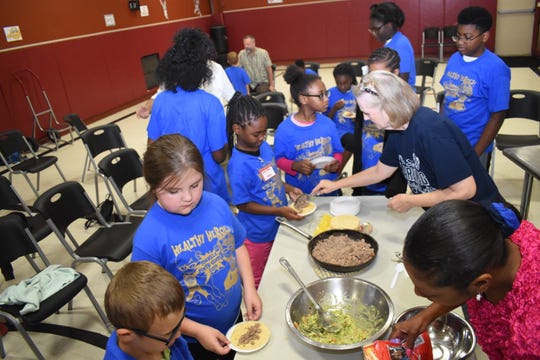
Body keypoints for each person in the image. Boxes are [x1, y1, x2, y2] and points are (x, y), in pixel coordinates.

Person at [131, 134, 262, 360]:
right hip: (190, 339)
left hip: (234, 318)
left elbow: (237, 245)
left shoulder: (217, 205)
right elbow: (151, 308)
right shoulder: (148, 240)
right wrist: (197, 331)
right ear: (153, 188)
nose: (188, 197)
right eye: (174, 191)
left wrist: (249, 288)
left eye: (195, 184)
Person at [312, 71, 504, 212]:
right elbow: (380, 171)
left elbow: (466, 190)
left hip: (478, 214)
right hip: (445, 211)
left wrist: (412, 200)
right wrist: (336, 184)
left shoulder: (431, 132)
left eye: (368, 113)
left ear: (389, 106)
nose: (367, 119)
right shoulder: (396, 127)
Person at [390, 200, 540, 359]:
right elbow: (463, 283)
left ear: (481, 284)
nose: (416, 292)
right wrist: (423, 318)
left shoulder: (532, 336)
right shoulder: (493, 235)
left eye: (431, 294)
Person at [226, 94, 304, 288]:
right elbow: (242, 203)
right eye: (256, 134)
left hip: (277, 225)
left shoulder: (264, 149)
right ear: (237, 129)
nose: (262, 138)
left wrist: (288, 188)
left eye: (265, 132)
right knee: (259, 278)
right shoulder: (239, 165)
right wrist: (278, 211)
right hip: (257, 234)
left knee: (277, 267)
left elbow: (271, 179)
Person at [146, 28, 230, 202]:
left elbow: (152, 148)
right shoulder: (211, 103)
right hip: (207, 184)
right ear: (203, 72)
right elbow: (218, 155)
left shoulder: (160, 101)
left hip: (173, 183)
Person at [440, 6, 510, 170]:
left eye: (468, 37)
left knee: (472, 194)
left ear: (484, 36)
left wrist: (475, 153)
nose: (460, 42)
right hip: (449, 142)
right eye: (458, 36)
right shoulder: (455, 59)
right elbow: (447, 98)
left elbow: (497, 116)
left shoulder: (497, 69)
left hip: (474, 146)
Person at [273, 65, 343, 195]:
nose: (327, 99)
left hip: (329, 191)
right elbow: (279, 159)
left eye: (326, 94)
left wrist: (336, 164)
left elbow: (338, 152)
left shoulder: (328, 123)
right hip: (302, 193)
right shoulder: (285, 130)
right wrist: (295, 165)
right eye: (321, 95)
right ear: (303, 99)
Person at [104, 261, 193, 360]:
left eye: (180, 322)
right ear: (127, 336)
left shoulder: (173, 342)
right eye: (169, 333)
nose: (179, 334)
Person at [345, 47, 404, 196]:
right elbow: (359, 132)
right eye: (371, 74)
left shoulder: (403, 107)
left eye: (380, 75)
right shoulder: (364, 97)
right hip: (364, 170)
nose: (374, 81)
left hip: (390, 179)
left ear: (395, 74)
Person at [368, 2, 416, 87]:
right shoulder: (389, 44)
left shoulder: (401, 44)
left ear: (389, 26)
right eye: (371, 30)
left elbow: (402, 81)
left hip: (402, 96)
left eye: (376, 29)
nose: (373, 33)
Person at [324, 62, 358, 171]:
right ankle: (338, 171)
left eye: (345, 83)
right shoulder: (330, 94)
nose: (342, 86)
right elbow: (325, 121)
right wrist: (334, 109)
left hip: (356, 129)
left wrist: (359, 118)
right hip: (338, 131)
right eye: (338, 83)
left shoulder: (358, 92)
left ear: (351, 80)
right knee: (352, 141)